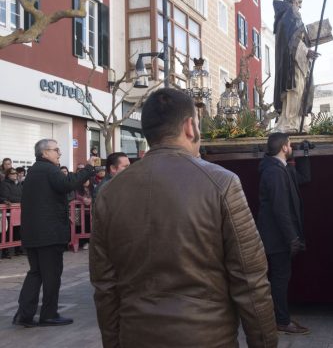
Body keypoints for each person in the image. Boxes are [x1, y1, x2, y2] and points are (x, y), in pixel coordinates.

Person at [90, 89, 277, 348]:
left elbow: (105, 286)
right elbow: (251, 280)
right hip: (208, 338)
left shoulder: (110, 192)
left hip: (136, 337)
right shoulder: (222, 183)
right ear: (190, 126)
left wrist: (113, 343)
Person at [12, 139, 96, 328]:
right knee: (51, 275)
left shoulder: (35, 170)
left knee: (35, 273)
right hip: (48, 234)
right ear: (44, 153)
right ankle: (49, 314)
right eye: (56, 150)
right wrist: (88, 169)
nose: (59, 153)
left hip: (34, 234)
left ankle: (24, 314)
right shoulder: (49, 169)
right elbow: (67, 184)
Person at [256, 132, 311, 335]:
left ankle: (282, 316)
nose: (292, 146)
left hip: (281, 237)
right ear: (283, 147)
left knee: (281, 278)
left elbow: (304, 178)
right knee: (279, 279)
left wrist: (303, 155)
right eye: (290, 145)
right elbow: (280, 209)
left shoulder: (281, 168)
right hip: (277, 238)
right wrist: (292, 238)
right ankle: (281, 320)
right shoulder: (274, 172)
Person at [272, 0, 318, 133]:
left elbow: (296, 39)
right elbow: (291, 41)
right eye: (298, 3)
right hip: (293, 64)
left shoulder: (288, 17)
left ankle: (297, 121)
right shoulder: (290, 16)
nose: (300, 7)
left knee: (300, 90)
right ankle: (290, 122)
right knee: (295, 91)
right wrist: (306, 51)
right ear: (291, 1)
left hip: (298, 63)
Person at [0, 168, 23, 258]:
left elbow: (23, 196)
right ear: (8, 175)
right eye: (12, 173)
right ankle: (5, 252)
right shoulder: (4, 184)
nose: (15, 175)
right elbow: (5, 197)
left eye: (16, 173)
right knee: (7, 231)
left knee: (18, 230)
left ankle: (17, 250)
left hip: (18, 211)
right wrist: (9, 201)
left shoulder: (19, 185)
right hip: (8, 212)